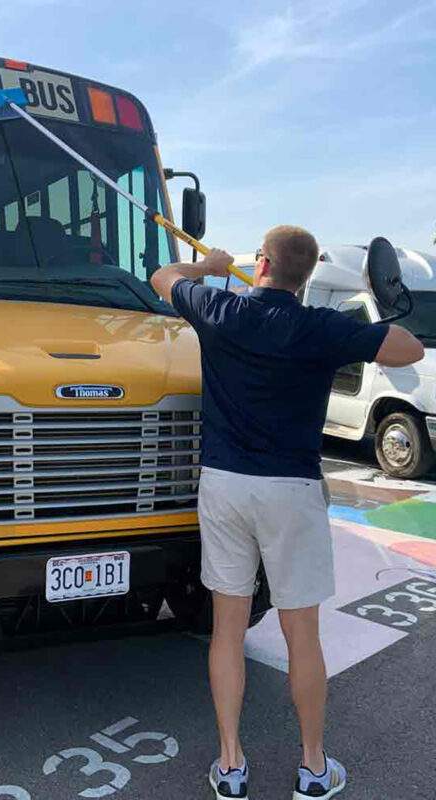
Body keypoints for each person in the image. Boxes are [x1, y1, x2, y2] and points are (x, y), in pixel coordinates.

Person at [150, 226, 424, 800]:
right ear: (308, 275)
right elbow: (410, 348)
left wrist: (212, 266)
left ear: (263, 263)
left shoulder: (218, 306)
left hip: (224, 485)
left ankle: (230, 766)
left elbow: (163, 278)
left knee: (227, 629)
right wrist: (360, 327)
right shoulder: (319, 327)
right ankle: (313, 768)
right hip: (291, 491)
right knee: (303, 637)